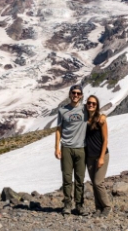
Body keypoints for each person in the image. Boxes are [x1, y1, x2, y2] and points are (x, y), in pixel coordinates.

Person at [55, 84, 89, 215]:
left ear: (81, 96)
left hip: (81, 148)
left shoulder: (86, 110)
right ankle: (67, 205)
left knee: (80, 179)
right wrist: (56, 147)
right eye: (73, 93)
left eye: (78, 94)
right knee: (67, 178)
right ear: (70, 94)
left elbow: (98, 117)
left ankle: (79, 205)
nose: (76, 95)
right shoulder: (62, 110)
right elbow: (58, 130)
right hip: (66, 148)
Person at [85, 95, 112, 218]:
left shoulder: (101, 119)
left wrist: (101, 158)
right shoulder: (84, 119)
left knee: (98, 182)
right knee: (94, 183)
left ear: (97, 106)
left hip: (101, 155)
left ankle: (107, 206)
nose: (91, 105)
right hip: (89, 156)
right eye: (89, 103)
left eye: (94, 104)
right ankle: (98, 208)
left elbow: (105, 140)